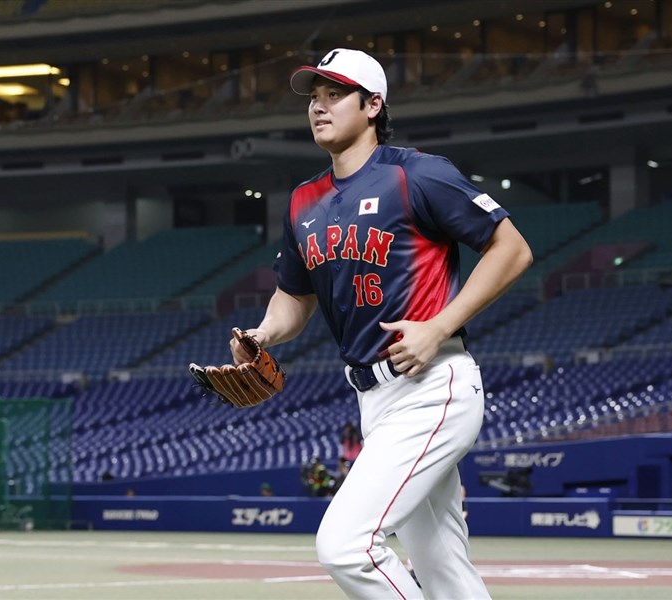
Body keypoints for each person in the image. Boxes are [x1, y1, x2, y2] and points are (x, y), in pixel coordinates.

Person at [228, 47, 532, 599]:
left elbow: (511, 250)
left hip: (432, 384)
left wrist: (439, 325)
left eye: (334, 94)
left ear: (372, 105)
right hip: (375, 400)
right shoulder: (303, 201)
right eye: (313, 97)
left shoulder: (417, 174)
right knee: (441, 565)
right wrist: (263, 334)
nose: (319, 107)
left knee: (345, 545)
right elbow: (292, 298)